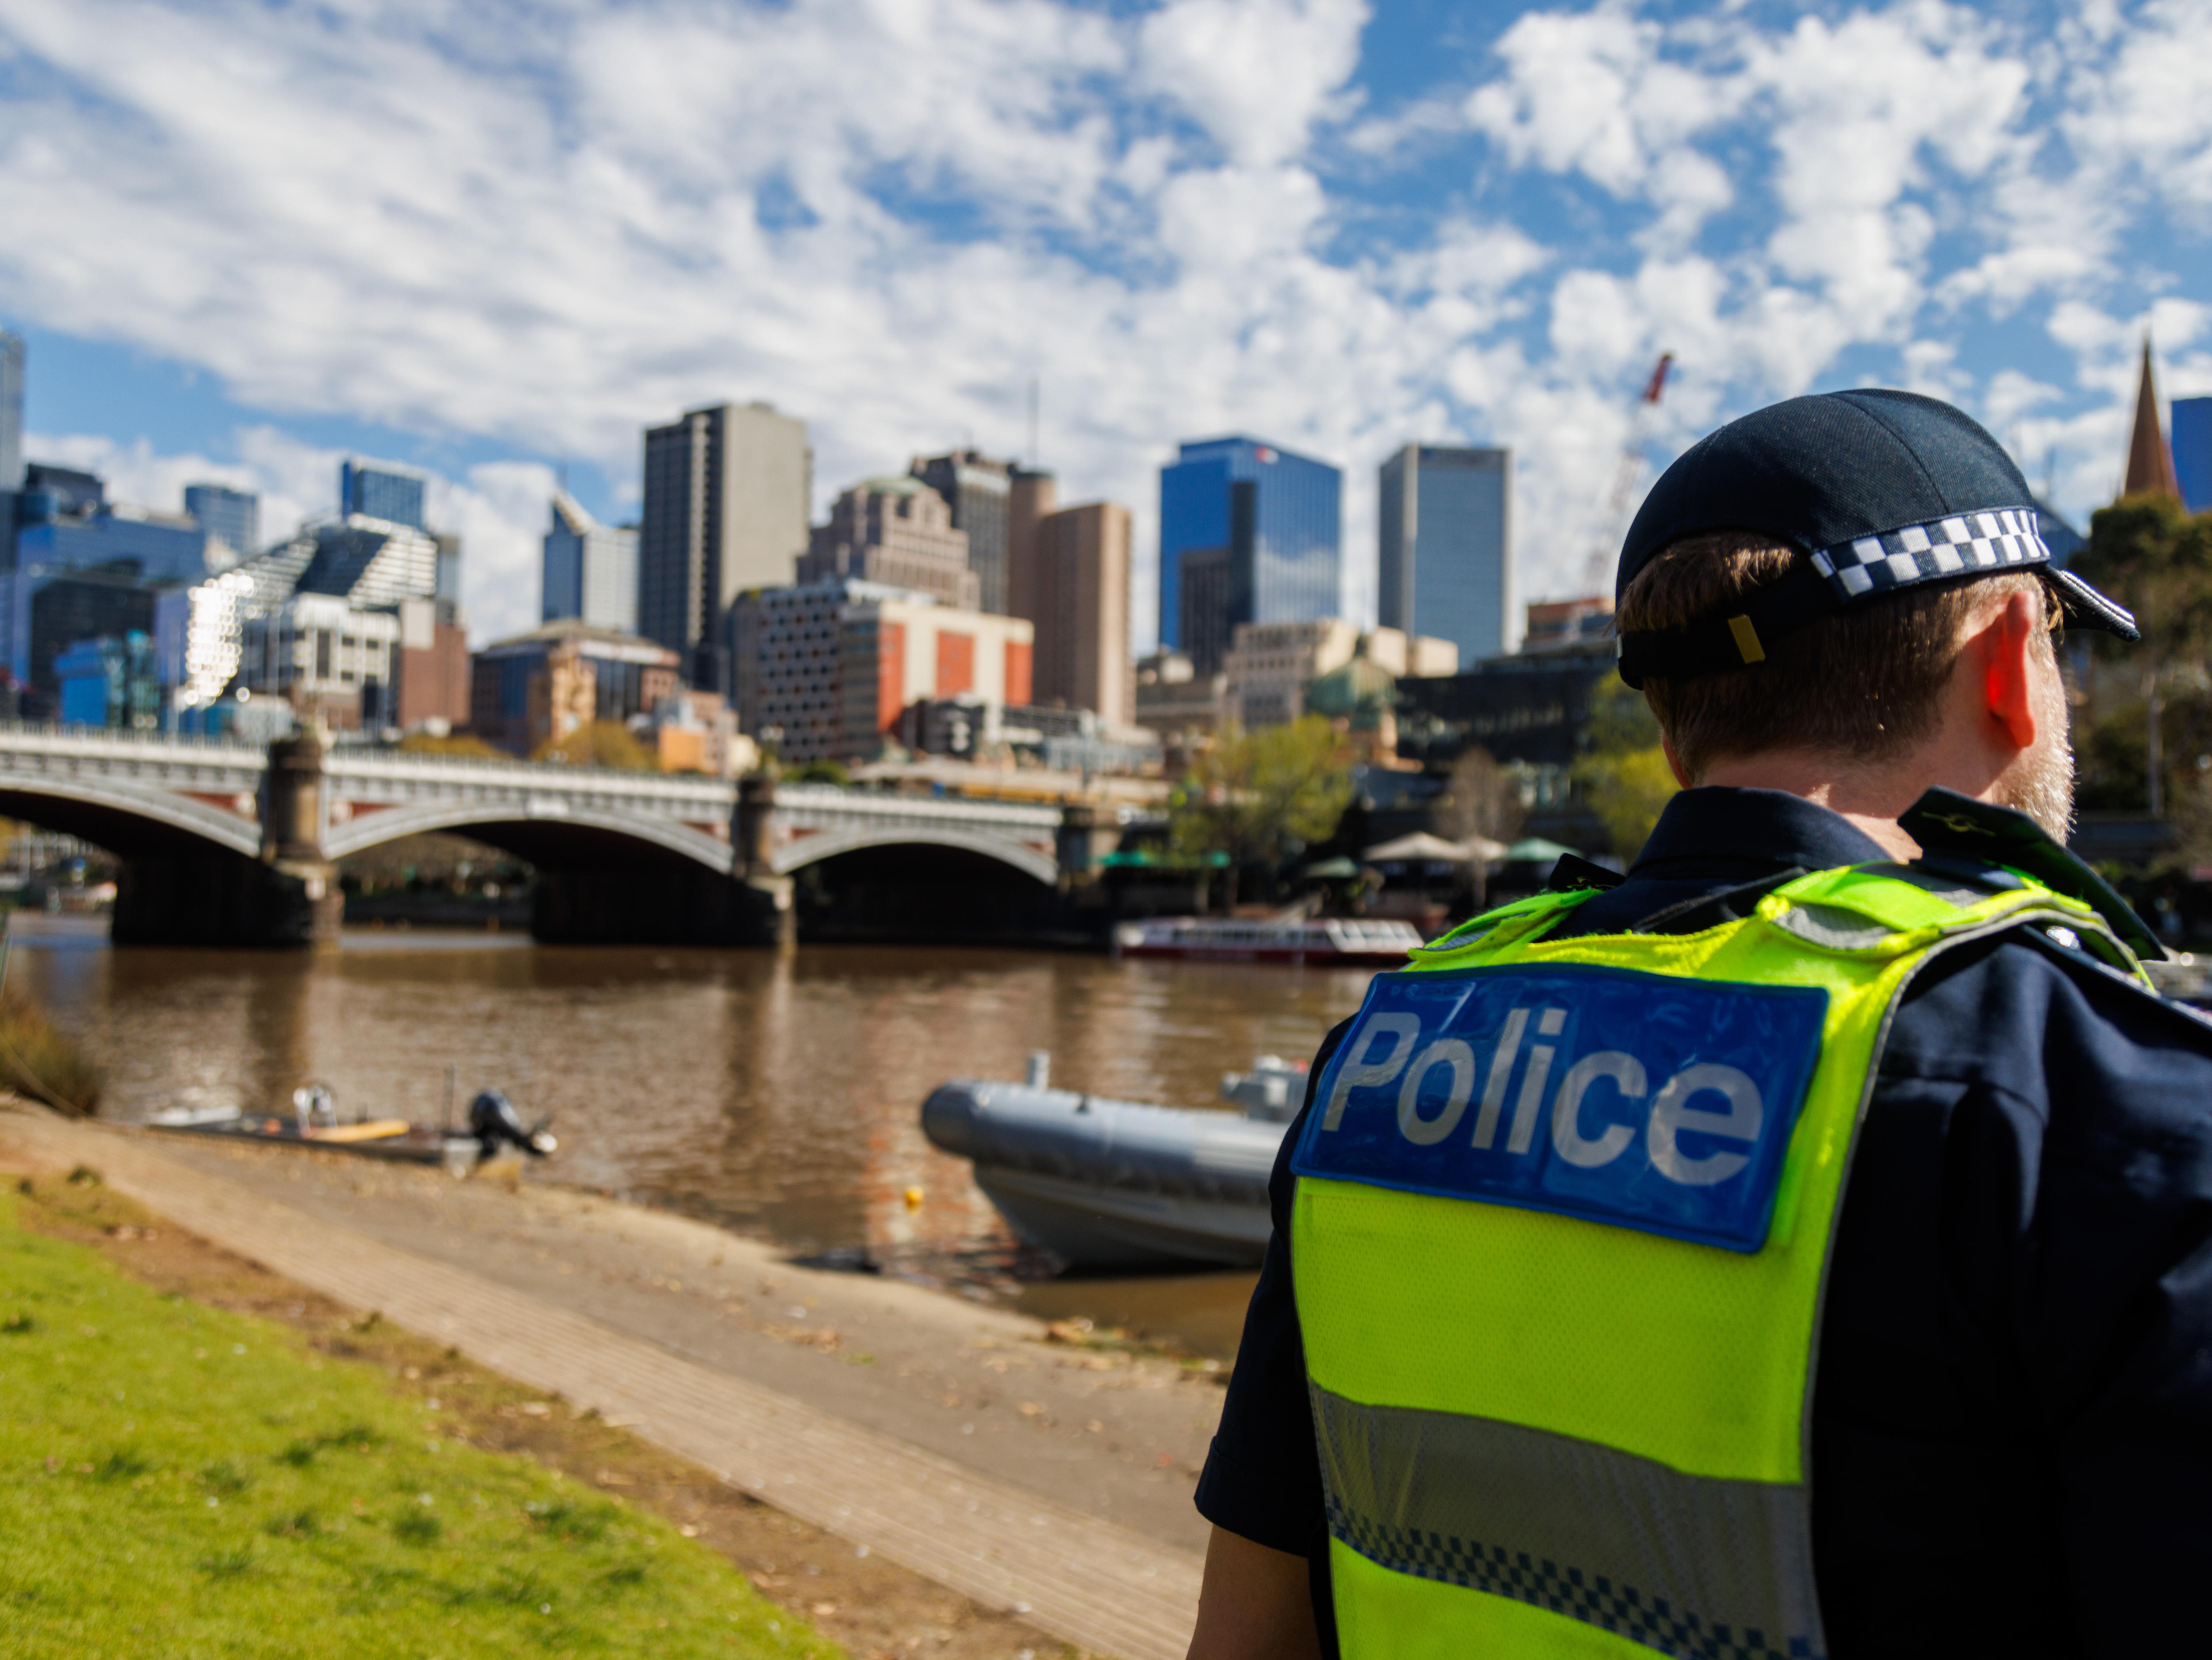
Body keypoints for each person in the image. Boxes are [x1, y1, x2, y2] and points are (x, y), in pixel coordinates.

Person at [1187, 390, 2212, 1660]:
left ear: (1676, 739)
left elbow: (1245, 1633)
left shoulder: (1394, 1047)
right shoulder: (2111, 1110)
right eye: (2058, 641)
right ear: (2010, 659)